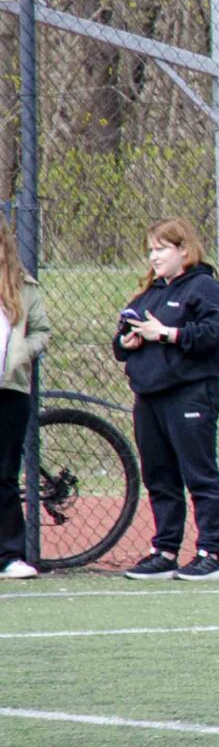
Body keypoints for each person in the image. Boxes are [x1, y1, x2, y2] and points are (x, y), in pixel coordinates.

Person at [113, 217, 219, 582]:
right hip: (149, 398)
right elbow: (121, 343)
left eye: (161, 249)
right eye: (150, 250)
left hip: (190, 395)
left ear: (183, 250)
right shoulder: (149, 295)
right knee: (159, 477)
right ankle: (165, 551)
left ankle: (209, 553)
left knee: (199, 474)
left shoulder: (204, 288)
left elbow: (213, 334)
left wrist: (166, 333)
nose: (154, 257)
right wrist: (127, 341)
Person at [0, 240, 52, 580]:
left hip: (9, 390)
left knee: (4, 474)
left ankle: (9, 555)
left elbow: (42, 332)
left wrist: (21, 353)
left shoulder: (23, 286)